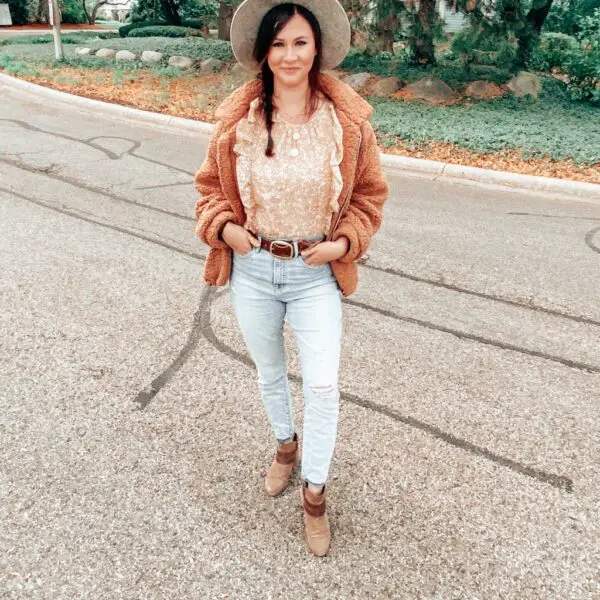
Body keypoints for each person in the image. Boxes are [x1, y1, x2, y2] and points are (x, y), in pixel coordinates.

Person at [194, 0, 388, 556]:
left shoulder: (347, 124)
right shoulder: (239, 120)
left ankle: (315, 496)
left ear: (317, 47)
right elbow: (208, 188)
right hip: (253, 269)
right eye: (278, 44)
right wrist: (225, 229)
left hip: (314, 274)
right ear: (263, 52)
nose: (289, 55)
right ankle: (285, 446)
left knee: (323, 385)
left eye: (299, 42)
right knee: (270, 372)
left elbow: (370, 195)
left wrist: (345, 241)